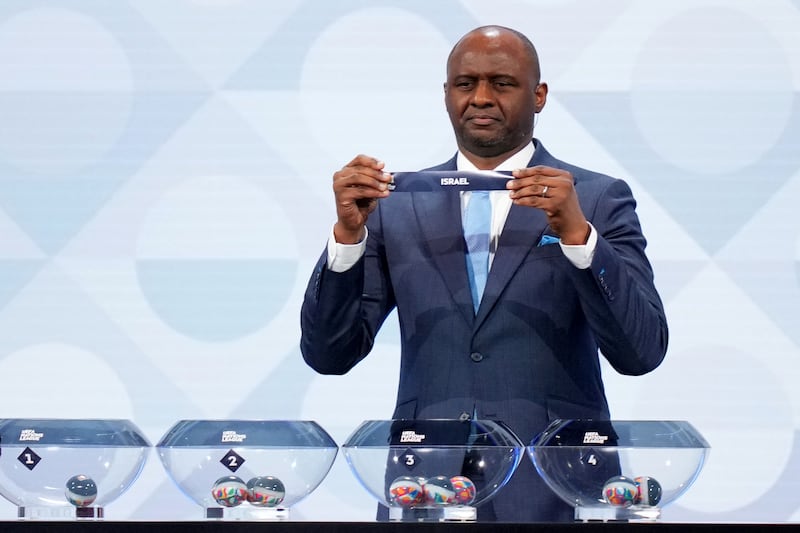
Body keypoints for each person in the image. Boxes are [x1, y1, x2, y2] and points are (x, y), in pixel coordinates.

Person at [300, 25, 668, 522]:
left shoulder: (596, 199)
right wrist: (347, 239)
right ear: (446, 95)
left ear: (539, 96)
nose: (481, 97)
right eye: (465, 83)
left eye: (502, 83)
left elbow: (641, 352)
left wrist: (579, 238)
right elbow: (329, 354)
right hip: (423, 484)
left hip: (555, 487)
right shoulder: (393, 208)